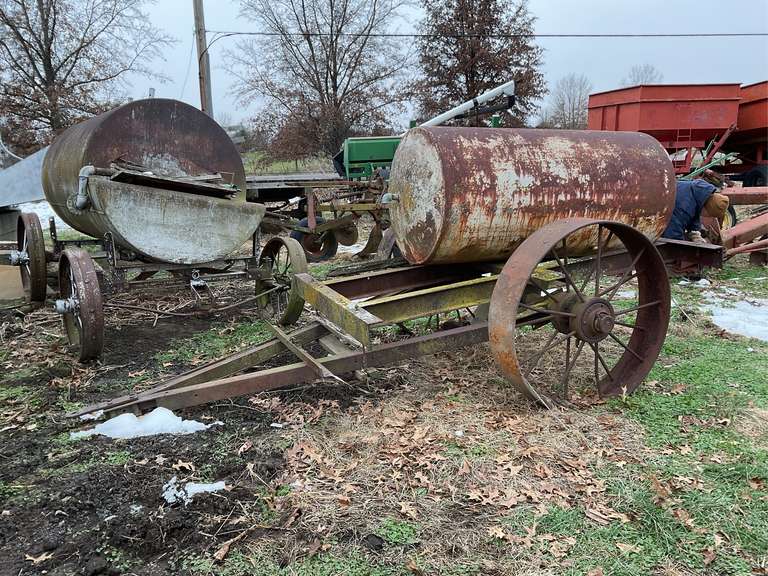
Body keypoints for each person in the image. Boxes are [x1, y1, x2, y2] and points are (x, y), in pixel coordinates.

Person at [662, 177, 730, 243]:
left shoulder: (699, 194)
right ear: (706, 209)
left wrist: (695, 233)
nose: (707, 217)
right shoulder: (684, 207)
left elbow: (695, 214)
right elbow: (673, 235)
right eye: (709, 215)